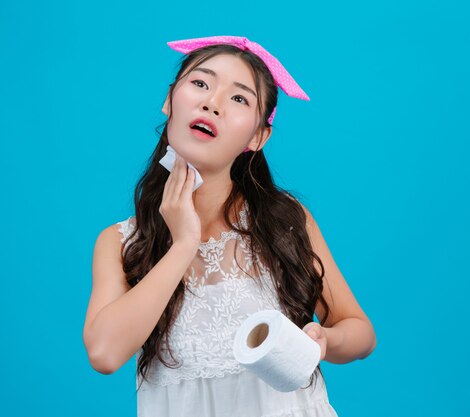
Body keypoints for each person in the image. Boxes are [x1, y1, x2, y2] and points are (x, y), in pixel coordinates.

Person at [82, 35, 377, 417]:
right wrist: (184, 242)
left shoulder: (285, 221)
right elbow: (104, 353)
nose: (212, 102)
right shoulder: (120, 242)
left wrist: (323, 341)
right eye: (201, 83)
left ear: (258, 136)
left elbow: (360, 332)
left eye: (239, 98)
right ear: (170, 100)